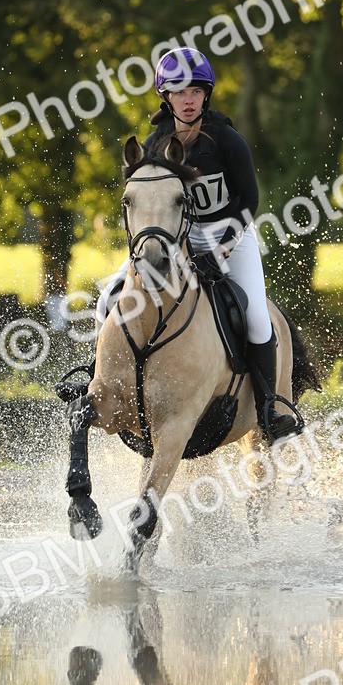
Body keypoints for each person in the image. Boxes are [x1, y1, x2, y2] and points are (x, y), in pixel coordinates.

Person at [61, 46, 301, 442]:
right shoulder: (156, 144)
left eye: (195, 91)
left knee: (257, 317)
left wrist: (222, 247)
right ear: (166, 97)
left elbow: (250, 201)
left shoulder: (227, 140)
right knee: (108, 296)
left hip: (231, 237)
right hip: (175, 241)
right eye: (178, 91)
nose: (188, 99)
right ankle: (96, 379)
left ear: (206, 95)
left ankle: (269, 406)